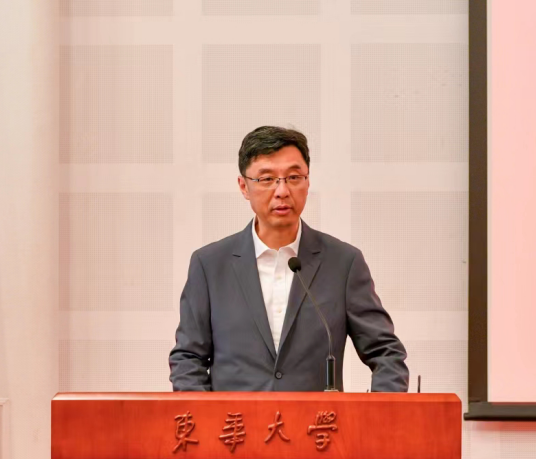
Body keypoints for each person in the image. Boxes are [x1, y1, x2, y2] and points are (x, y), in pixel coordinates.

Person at [169, 126, 408, 392]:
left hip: (319, 420)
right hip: (234, 420)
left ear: (308, 181)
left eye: (294, 177)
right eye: (267, 179)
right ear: (244, 186)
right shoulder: (210, 265)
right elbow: (188, 358)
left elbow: (386, 354)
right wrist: (205, 415)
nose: (282, 191)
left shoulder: (343, 263)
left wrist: (379, 412)